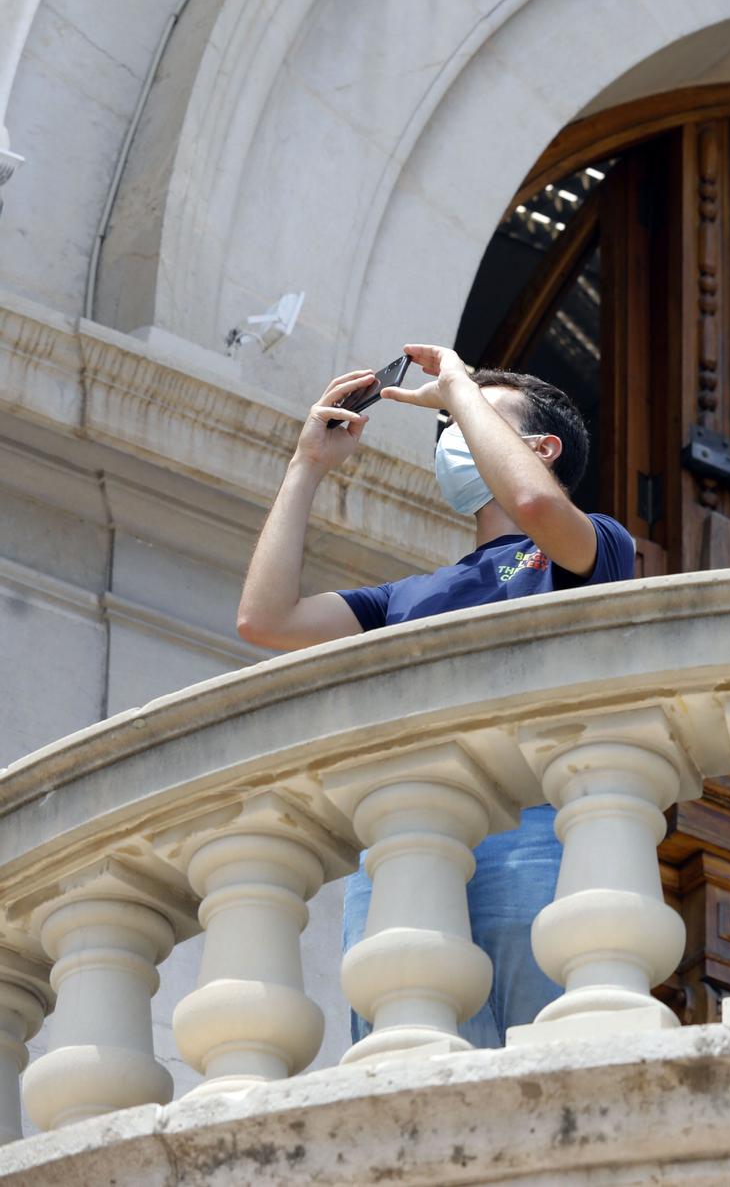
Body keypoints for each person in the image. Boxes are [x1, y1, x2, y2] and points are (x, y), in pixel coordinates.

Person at [235, 343, 636, 1045]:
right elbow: (265, 618)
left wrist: (457, 380)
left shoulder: (594, 545)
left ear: (541, 445)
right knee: (403, 1069)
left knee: (540, 1071)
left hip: (533, 835)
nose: (451, 432)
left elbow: (537, 500)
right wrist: (307, 465)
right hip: (405, 848)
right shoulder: (408, 597)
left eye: (466, 416)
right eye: (448, 420)